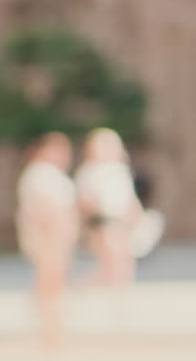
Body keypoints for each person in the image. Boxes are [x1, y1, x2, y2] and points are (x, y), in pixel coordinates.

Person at [16, 132, 79, 349]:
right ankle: (50, 329)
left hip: (58, 235)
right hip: (48, 236)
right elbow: (43, 210)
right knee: (49, 283)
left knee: (55, 282)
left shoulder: (53, 175)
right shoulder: (39, 174)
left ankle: (53, 327)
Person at [74, 128, 142, 287]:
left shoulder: (119, 170)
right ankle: (90, 286)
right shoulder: (89, 171)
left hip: (122, 220)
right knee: (111, 258)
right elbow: (84, 200)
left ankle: (120, 291)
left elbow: (129, 197)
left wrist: (136, 215)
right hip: (103, 221)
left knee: (124, 259)